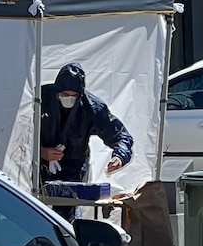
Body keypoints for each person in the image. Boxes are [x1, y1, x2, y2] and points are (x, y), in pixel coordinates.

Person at [40, 62, 134, 222]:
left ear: (80, 94)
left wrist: (119, 156)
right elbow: (20, 134)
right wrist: (41, 151)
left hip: (74, 165)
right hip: (37, 162)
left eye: (73, 96)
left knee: (65, 212)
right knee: (33, 206)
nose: (68, 99)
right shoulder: (41, 99)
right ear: (57, 91)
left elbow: (121, 135)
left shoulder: (92, 108)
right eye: (64, 94)